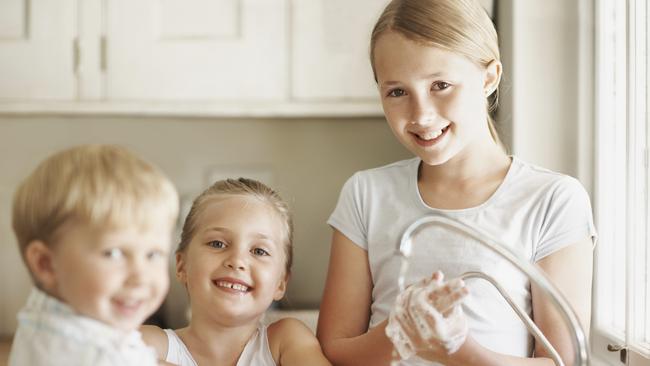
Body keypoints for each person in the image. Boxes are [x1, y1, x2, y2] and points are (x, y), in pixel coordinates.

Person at [316, 0, 596, 365]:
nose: (421, 114)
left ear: (489, 77)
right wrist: (397, 333)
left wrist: (460, 349)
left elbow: (565, 362)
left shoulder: (552, 200)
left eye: (441, 85)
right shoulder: (366, 195)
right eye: (397, 92)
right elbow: (333, 350)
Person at [9, 144, 180, 366]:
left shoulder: (45, 315)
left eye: (153, 254)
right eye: (114, 253)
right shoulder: (103, 356)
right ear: (46, 264)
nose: (141, 276)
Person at [141, 178, 331, 366]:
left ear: (281, 283)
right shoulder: (149, 344)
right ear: (182, 266)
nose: (237, 261)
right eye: (217, 244)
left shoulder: (286, 340)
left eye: (259, 251)